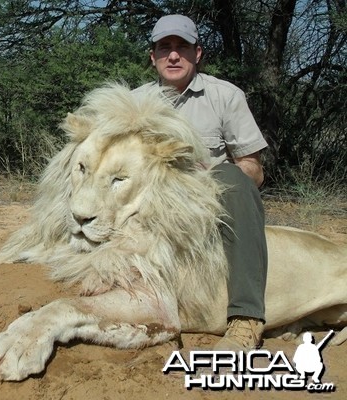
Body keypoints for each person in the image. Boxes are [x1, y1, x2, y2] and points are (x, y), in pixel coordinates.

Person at [133, 14, 268, 351]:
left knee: (231, 175)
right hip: (150, 205)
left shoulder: (226, 96)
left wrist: (205, 176)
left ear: (198, 53)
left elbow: (253, 169)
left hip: (209, 204)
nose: (173, 56)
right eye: (165, 47)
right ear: (153, 57)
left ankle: (246, 319)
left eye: (182, 47)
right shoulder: (133, 102)